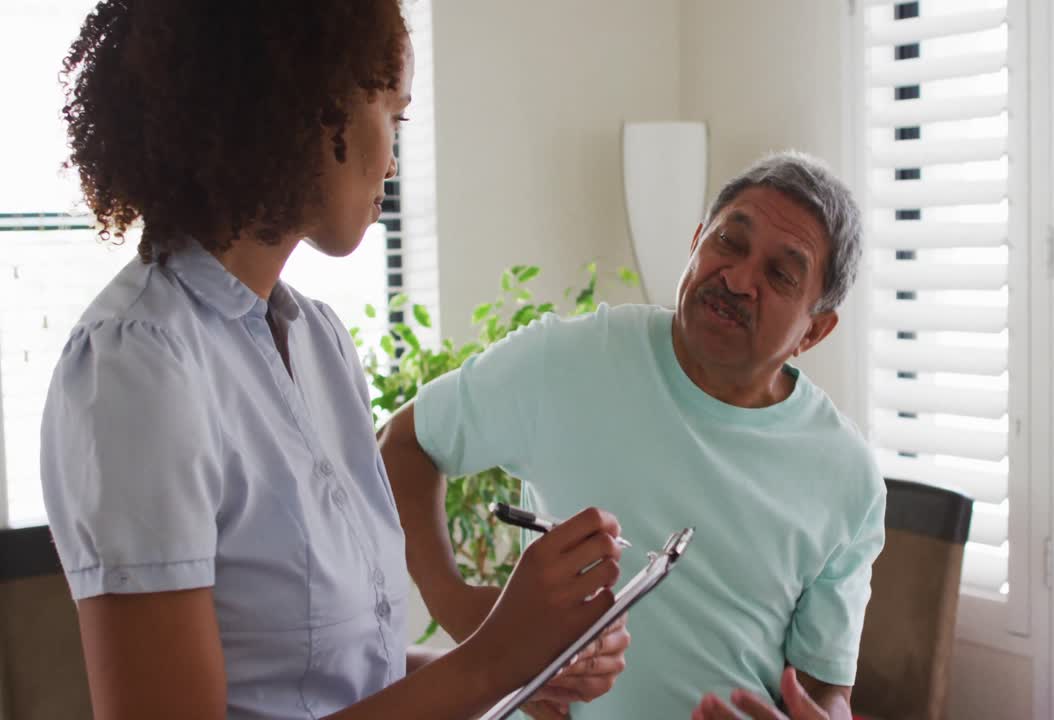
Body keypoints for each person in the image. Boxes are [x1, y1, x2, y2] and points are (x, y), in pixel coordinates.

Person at [39, 2, 628, 718]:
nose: (392, 157)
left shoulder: (317, 342)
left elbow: (339, 682)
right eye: (394, 115)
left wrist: (520, 668)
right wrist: (491, 658)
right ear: (306, 108)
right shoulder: (138, 365)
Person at [380, 151, 888, 719]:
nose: (740, 279)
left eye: (779, 274)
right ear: (696, 242)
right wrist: (461, 608)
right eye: (729, 242)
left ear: (813, 331)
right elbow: (402, 443)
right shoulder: (569, 360)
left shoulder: (846, 474)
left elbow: (824, 690)